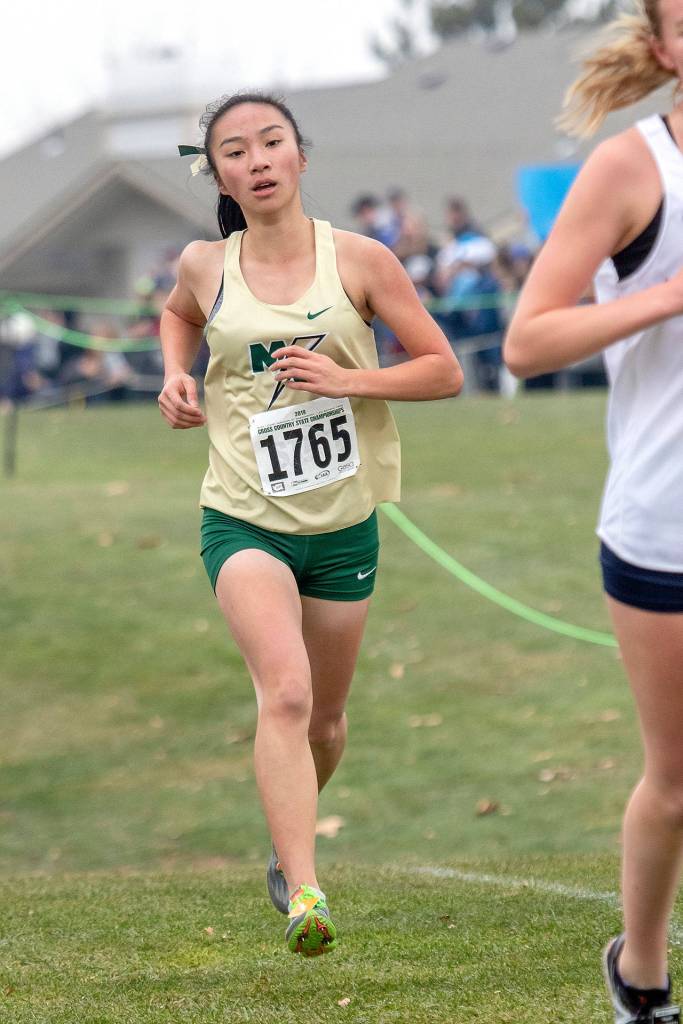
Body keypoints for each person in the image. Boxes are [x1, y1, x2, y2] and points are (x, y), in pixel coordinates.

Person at [158, 91, 463, 958]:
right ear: (217, 174)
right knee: (284, 693)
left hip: (341, 524)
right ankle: (305, 891)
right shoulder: (203, 265)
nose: (256, 160)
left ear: (299, 156)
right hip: (242, 516)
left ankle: (282, 838)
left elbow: (442, 371)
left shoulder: (360, 260)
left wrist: (347, 382)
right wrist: (176, 374)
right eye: (234, 151)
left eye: (271, 142)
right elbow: (178, 316)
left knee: (324, 721)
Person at [504, 3, 683, 1020]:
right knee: (675, 782)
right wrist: (665, 295)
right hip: (663, 525)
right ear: (660, 49)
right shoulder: (630, 168)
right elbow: (526, 342)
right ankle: (640, 976)